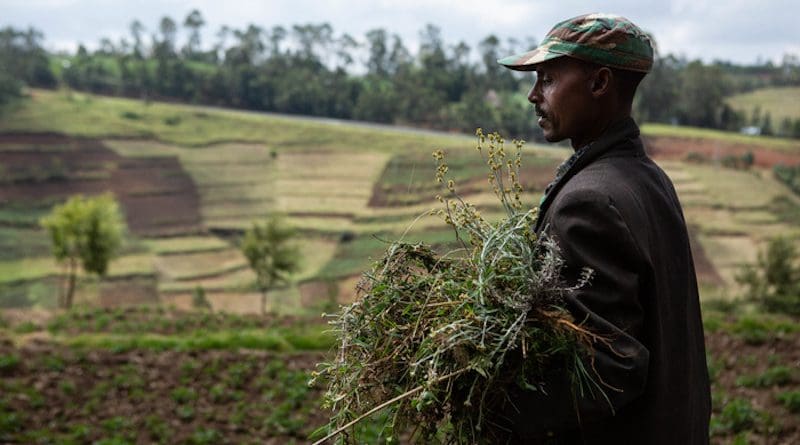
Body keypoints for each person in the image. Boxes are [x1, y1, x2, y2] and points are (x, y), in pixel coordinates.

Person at [490, 13, 712, 444]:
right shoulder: (647, 178)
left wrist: (494, 401)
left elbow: (607, 366)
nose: (534, 95)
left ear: (599, 83)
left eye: (548, 78)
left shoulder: (589, 202)